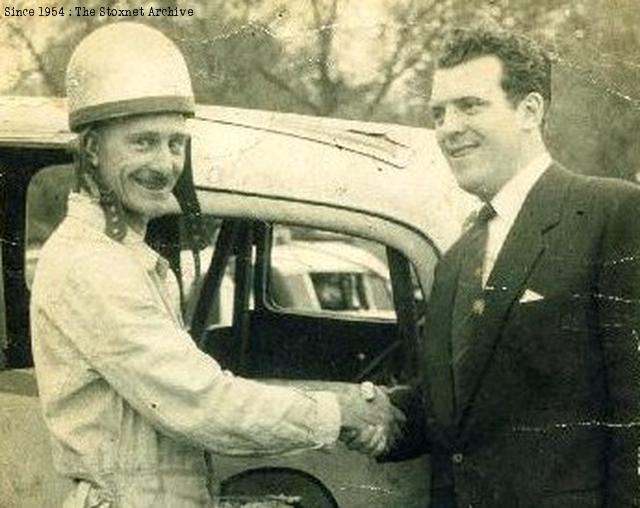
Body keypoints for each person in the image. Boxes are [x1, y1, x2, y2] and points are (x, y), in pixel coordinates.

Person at [30, 22, 397, 507]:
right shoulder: (91, 266)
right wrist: (343, 411)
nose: (164, 164)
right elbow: (201, 404)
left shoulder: (123, 255)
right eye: (142, 142)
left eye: (175, 143)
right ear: (93, 149)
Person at [382, 25, 640, 507]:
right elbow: (457, 411)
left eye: (469, 105)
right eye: (438, 113)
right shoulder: (457, 259)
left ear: (530, 111)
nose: (447, 128)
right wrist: (368, 414)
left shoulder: (613, 214)